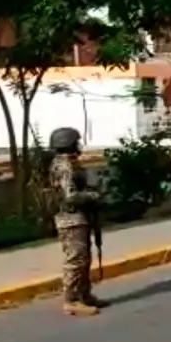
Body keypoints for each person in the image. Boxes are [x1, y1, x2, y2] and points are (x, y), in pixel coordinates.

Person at [48, 126, 107, 316]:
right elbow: (70, 196)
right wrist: (92, 196)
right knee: (75, 259)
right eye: (76, 142)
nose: (79, 145)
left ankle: (84, 295)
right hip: (70, 218)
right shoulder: (64, 166)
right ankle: (71, 300)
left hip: (78, 216)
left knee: (84, 258)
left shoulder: (67, 163)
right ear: (68, 143)